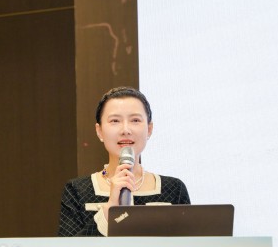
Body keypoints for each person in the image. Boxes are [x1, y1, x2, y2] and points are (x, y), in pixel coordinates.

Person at [57, 86, 191, 236]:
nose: (125, 130)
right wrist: (110, 209)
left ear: (149, 129)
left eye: (135, 120)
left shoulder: (174, 189)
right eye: (115, 121)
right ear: (99, 131)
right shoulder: (77, 190)